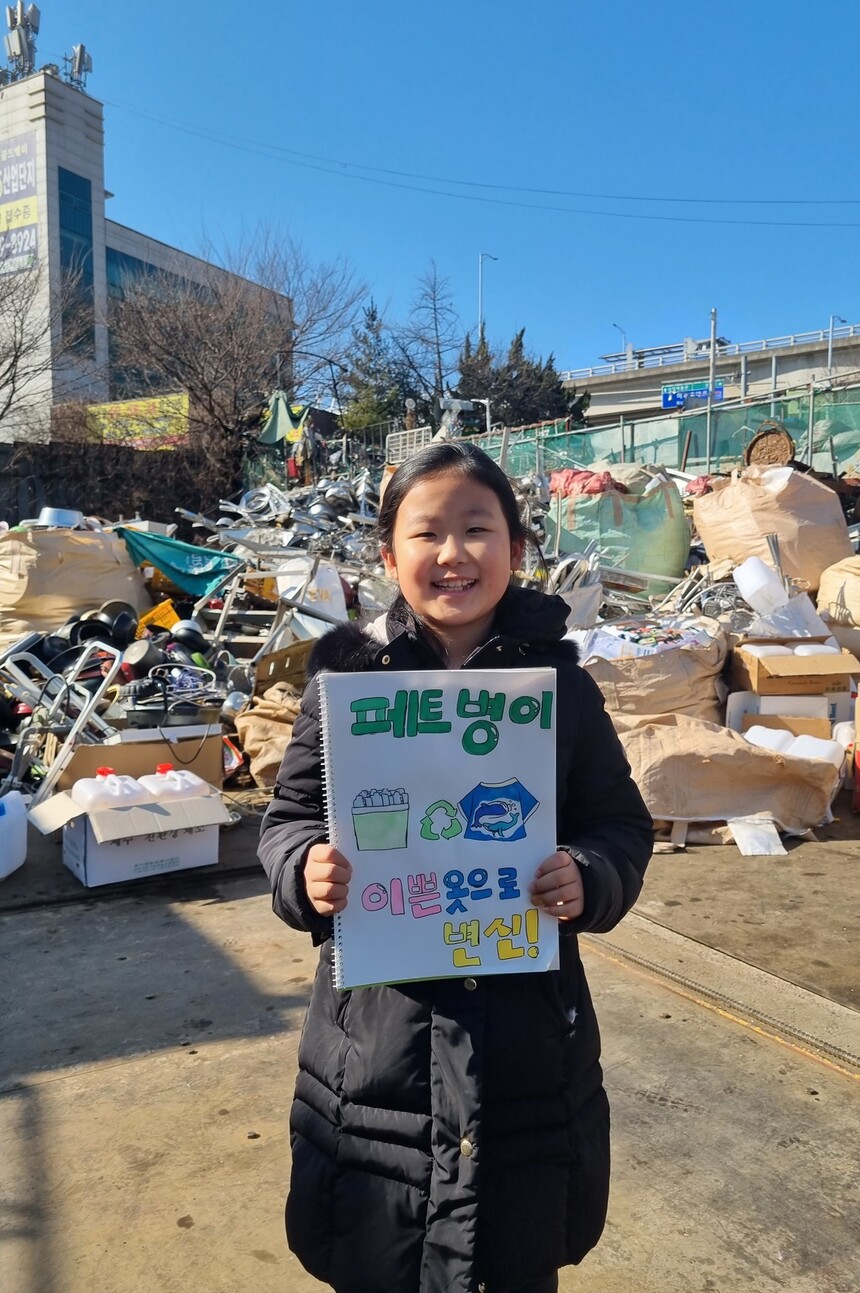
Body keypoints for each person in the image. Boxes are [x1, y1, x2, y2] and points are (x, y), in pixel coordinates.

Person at [259, 441, 653, 1293]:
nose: (452, 554)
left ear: (516, 545)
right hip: (375, 1052)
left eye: (478, 528)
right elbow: (286, 817)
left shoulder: (560, 688)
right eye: (426, 532)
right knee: (381, 1254)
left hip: (524, 1048)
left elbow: (621, 823)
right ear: (386, 551)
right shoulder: (347, 681)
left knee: (512, 1250)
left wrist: (590, 873)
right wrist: (304, 871)